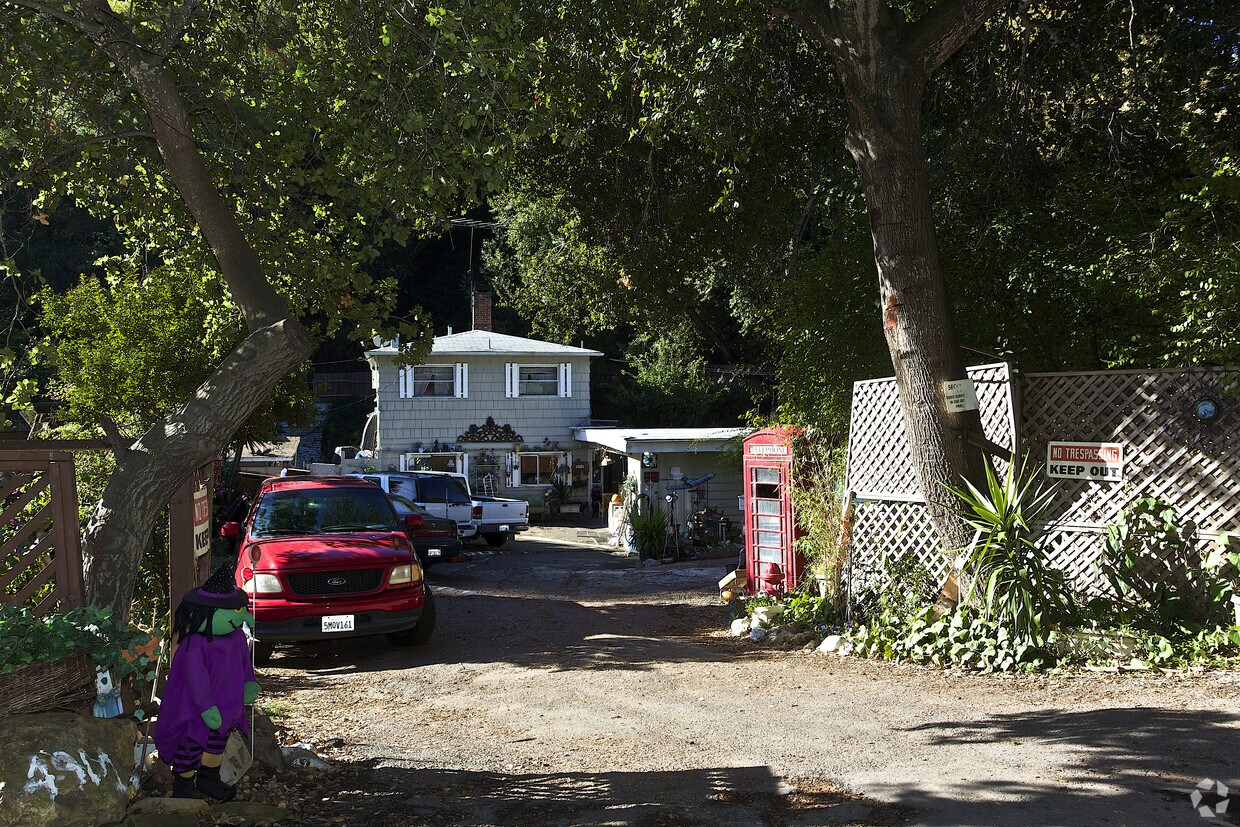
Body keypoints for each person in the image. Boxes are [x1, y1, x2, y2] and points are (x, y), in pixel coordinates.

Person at [156, 566, 260, 800]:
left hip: (225, 707)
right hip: (196, 711)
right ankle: (183, 787)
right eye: (236, 610)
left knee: (216, 744)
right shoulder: (193, 645)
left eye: (243, 609)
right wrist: (205, 707)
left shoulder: (236, 638)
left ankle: (208, 780)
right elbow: (195, 680)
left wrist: (248, 684)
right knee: (191, 746)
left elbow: (244, 665)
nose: (244, 617)